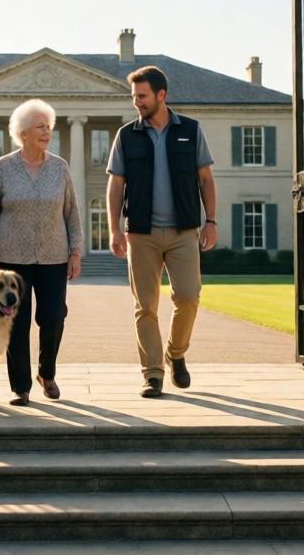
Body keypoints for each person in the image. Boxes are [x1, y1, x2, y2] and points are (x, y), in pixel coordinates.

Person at [106, 66, 217, 397]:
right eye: (134, 96)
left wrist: (210, 221)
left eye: (142, 96)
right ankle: (153, 374)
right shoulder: (127, 135)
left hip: (184, 231)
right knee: (145, 306)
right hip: (141, 233)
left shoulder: (191, 131)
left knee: (188, 296)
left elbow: (206, 179)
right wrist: (114, 229)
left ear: (161, 95)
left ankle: (176, 352)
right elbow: (115, 184)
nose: (136, 102)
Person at [0, 99, 82, 406]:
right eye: (39, 126)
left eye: (48, 126)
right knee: (16, 321)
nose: (46, 131)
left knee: (53, 317)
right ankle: (20, 387)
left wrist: (75, 252)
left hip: (54, 257)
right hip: (11, 260)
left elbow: (72, 213)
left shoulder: (60, 167)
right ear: (22, 133)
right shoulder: (4, 167)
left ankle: (46, 374)